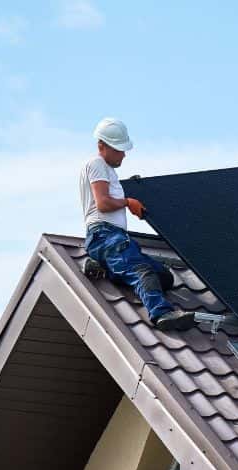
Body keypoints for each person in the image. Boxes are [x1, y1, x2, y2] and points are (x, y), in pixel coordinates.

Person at [80, 118, 195, 331]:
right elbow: (103, 203)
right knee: (143, 271)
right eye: (119, 150)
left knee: (164, 277)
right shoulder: (96, 164)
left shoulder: (108, 170)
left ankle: (104, 268)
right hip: (106, 236)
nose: (123, 155)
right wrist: (127, 202)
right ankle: (161, 313)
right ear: (101, 146)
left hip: (112, 238)